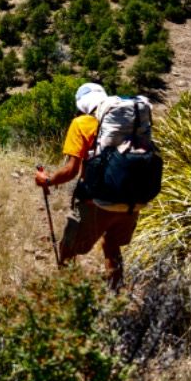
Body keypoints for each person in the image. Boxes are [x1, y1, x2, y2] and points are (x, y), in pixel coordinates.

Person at [34, 82, 140, 289]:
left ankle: (68, 299)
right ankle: (115, 297)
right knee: (112, 246)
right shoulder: (130, 122)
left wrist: (46, 180)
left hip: (96, 201)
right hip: (131, 200)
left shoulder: (82, 123)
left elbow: (72, 170)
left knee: (68, 248)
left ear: (82, 105)